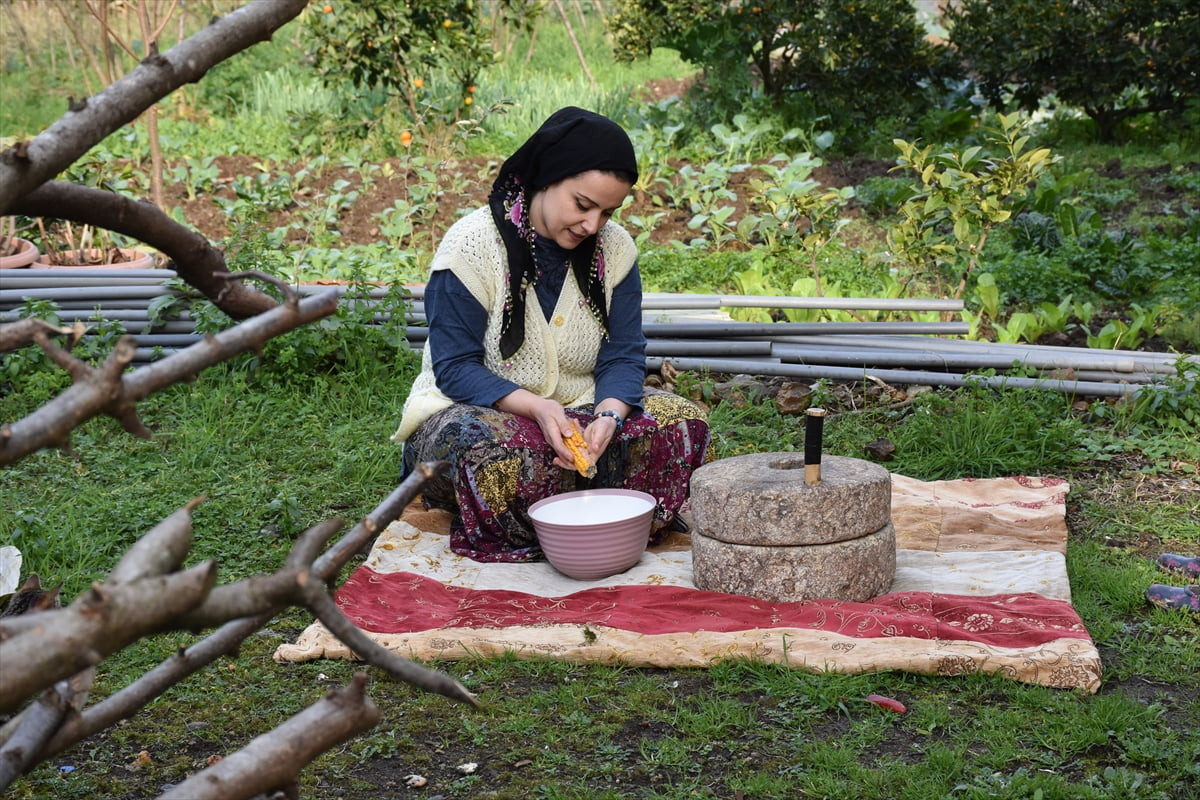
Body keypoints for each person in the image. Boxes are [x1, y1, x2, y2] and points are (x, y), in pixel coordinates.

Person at [391, 107, 712, 563]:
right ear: (545, 176)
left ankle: (553, 508)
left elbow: (622, 355)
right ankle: (598, 509)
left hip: (579, 411)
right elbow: (454, 368)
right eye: (582, 205)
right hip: (478, 412)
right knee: (485, 452)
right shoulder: (471, 246)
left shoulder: (615, 250)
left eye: (608, 212)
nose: (592, 225)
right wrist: (539, 408)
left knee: (684, 424)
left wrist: (609, 417)